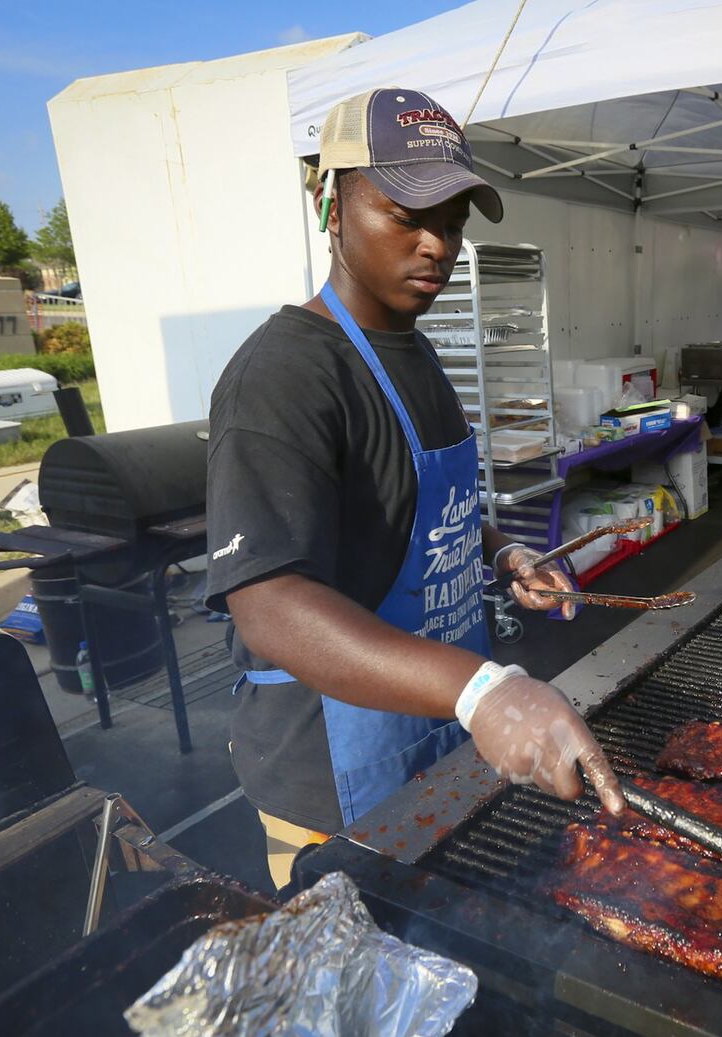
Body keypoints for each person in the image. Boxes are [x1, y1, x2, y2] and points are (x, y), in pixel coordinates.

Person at [204, 88, 624, 888]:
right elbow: (267, 600)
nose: (437, 245)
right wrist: (485, 692)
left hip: (438, 730)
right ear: (332, 207)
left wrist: (500, 553)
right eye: (406, 214)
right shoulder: (284, 375)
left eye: (455, 221)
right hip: (332, 776)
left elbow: (417, 512)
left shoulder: (415, 354)